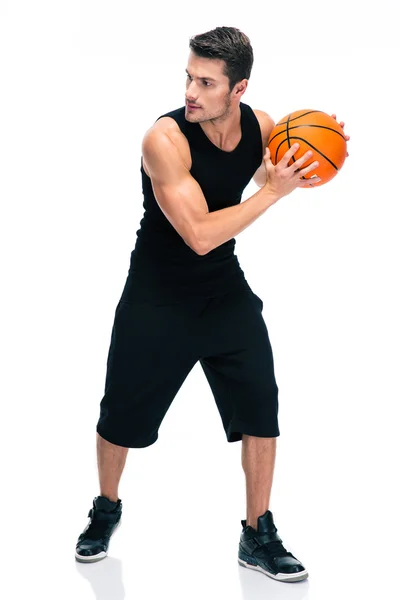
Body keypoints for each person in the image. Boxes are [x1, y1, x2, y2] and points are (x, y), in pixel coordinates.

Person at [75, 26, 349, 583]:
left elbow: (277, 171)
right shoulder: (164, 140)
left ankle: (258, 533)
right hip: (156, 295)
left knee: (261, 410)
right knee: (121, 419)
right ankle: (106, 508)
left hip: (223, 291)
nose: (191, 92)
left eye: (206, 82)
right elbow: (200, 233)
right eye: (188, 77)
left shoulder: (262, 126)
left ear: (238, 88)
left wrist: (319, 150)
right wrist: (271, 194)